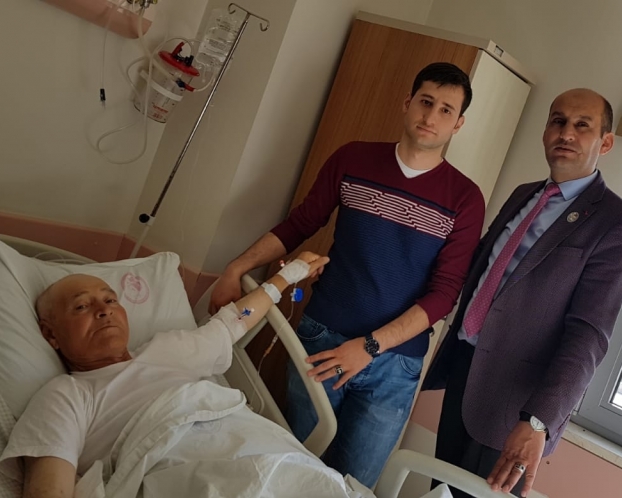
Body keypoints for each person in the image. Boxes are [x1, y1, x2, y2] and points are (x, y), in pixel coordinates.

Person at [208, 62, 486, 486]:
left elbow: (444, 294)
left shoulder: (465, 198)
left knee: (353, 486)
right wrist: (236, 268)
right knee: (292, 472)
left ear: (458, 123)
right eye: (425, 102)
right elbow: (301, 223)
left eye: (446, 110)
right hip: (324, 339)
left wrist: (371, 347)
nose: (431, 116)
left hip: (394, 366)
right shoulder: (353, 159)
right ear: (407, 103)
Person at [422, 88, 622, 498]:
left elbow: (589, 335)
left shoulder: (618, 225)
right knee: (440, 492)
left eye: (582, 125)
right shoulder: (524, 194)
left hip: (516, 409)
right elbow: (481, 268)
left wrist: (539, 420)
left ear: (606, 142)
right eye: (558, 121)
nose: (566, 133)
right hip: (465, 372)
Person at [0, 253, 328, 497]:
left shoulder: (171, 348)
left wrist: (289, 274)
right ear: (51, 334)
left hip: (262, 447)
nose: (104, 310)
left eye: (110, 299)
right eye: (81, 307)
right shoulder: (65, 395)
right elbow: (49, 490)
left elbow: (235, 320)